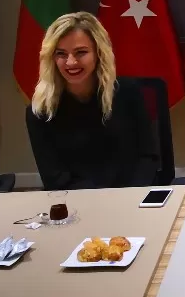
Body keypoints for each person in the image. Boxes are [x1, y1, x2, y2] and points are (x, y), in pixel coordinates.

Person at [26, 12, 158, 190]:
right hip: (78, 201)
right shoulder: (41, 110)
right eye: (61, 54)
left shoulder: (128, 93)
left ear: (98, 53)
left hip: (131, 195)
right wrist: (98, 200)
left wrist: (130, 195)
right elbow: (54, 178)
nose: (71, 62)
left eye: (81, 52)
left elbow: (147, 157)